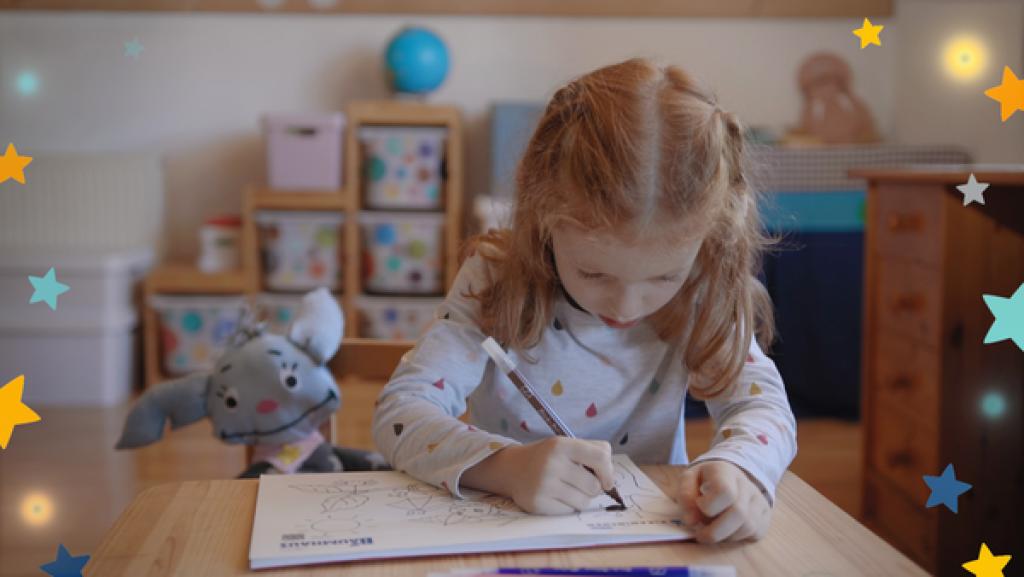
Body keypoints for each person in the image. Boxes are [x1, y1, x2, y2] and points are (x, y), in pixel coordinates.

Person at [372, 58, 797, 544]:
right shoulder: (494, 279)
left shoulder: (700, 288)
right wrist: (507, 467)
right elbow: (402, 412)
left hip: (653, 540)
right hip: (507, 536)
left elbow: (762, 409)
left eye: (663, 276)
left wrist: (742, 469)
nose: (626, 306)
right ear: (542, 211)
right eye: (594, 272)